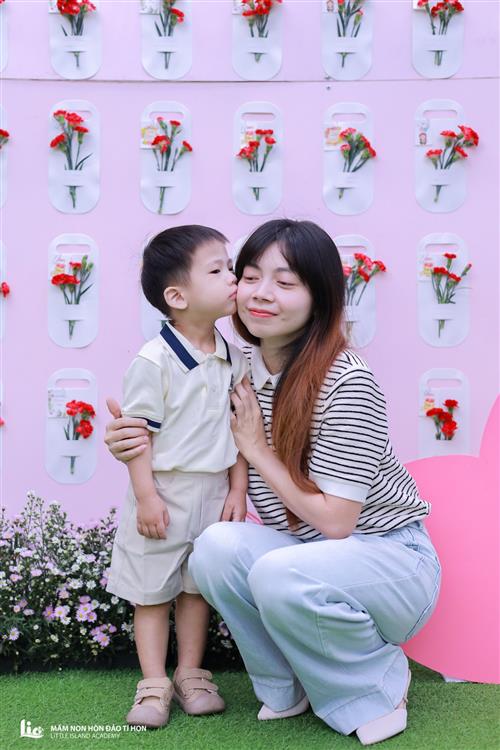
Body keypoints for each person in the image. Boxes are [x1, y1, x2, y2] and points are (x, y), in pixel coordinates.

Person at [105, 219, 441, 745]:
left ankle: (376, 685)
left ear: (319, 297)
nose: (260, 293)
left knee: (279, 573)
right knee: (213, 547)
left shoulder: (346, 380)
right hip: (310, 558)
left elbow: (337, 522)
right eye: (249, 276)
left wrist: (258, 450)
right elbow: (174, 428)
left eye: (285, 283)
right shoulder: (233, 366)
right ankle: (287, 683)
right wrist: (130, 440)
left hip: (392, 561)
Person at [106, 225, 249, 729]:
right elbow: (136, 438)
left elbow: (241, 430)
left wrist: (237, 488)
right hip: (163, 493)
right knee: (152, 592)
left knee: (195, 588)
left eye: (230, 267)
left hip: (214, 492)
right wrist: (146, 497)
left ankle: (191, 673)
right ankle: (153, 683)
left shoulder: (233, 357)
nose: (233, 278)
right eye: (217, 270)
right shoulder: (154, 361)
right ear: (177, 296)